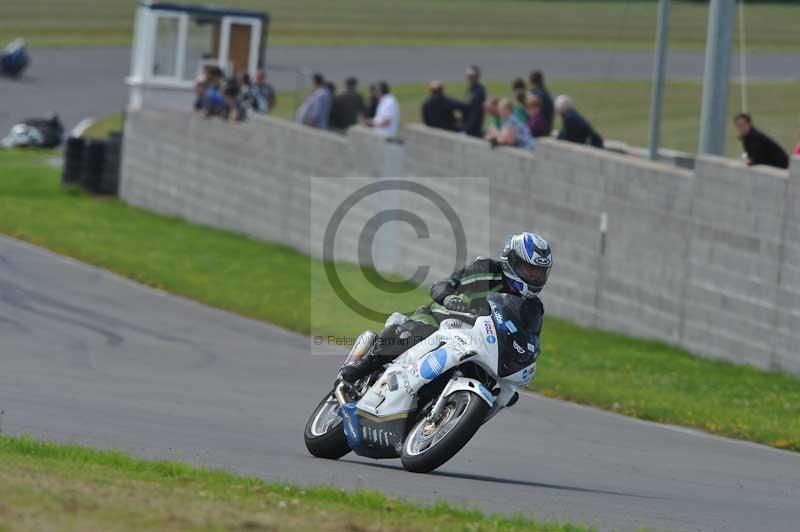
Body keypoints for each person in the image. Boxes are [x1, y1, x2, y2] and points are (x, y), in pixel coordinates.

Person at [341, 232, 552, 384]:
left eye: (539, 272)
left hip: (480, 344)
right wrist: (450, 298)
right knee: (413, 333)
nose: (534, 277)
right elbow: (442, 285)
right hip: (444, 320)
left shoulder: (533, 307)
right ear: (511, 260)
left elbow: (528, 339)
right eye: (529, 269)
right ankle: (362, 366)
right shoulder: (484, 269)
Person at [462, 65, 486, 138]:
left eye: (472, 76)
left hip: (473, 130)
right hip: (467, 126)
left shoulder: (479, 91)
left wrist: (467, 130)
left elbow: (476, 113)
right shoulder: (470, 89)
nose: (470, 78)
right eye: (468, 76)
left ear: (477, 77)